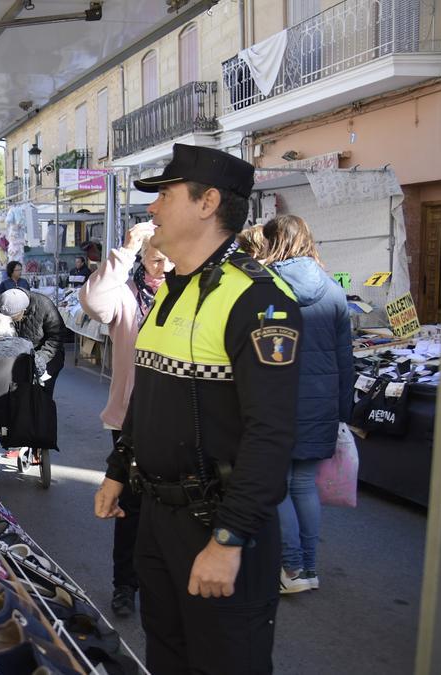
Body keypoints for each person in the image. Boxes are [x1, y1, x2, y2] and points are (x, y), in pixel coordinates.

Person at [93, 143, 302, 674]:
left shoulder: (259, 300)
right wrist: (120, 469)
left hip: (217, 526)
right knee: (168, 657)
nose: (153, 209)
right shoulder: (173, 290)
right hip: (159, 521)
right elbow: (148, 393)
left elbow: (271, 435)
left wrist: (229, 540)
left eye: (164, 194)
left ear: (208, 202)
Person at [78, 221, 172, 619]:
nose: (164, 265)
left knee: (170, 507)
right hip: (129, 418)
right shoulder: (125, 295)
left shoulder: (184, 293)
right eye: (156, 257)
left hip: (176, 418)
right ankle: (125, 585)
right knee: (129, 506)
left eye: (170, 257)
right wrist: (126, 251)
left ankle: (164, 584)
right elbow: (93, 303)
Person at [257, 215, 353, 595]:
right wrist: (343, 413)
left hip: (277, 404)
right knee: (304, 486)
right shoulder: (333, 290)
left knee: (277, 486)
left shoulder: (267, 287)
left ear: (273, 242)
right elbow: (346, 358)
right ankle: (309, 568)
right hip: (321, 406)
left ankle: (293, 568)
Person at [0, 288, 64, 463]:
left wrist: (40, 359)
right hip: (13, 358)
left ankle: (39, 444)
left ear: (24, 311)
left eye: (14, 317)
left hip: (44, 356)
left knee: (41, 399)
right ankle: (15, 440)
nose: (10, 321)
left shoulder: (44, 305)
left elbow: (55, 337)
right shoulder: (0, 303)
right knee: (13, 398)